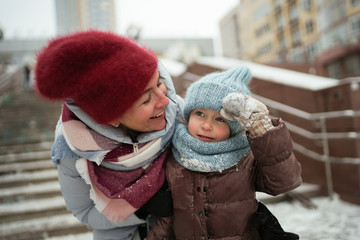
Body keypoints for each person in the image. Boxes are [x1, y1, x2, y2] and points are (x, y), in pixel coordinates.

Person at [34, 30, 179, 240]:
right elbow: (84, 211)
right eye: (147, 100)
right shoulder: (74, 150)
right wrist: (142, 209)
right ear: (112, 118)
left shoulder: (184, 115)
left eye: (158, 83)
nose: (165, 101)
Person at [147, 66, 302, 240]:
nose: (206, 126)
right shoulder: (174, 156)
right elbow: (167, 217)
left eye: (219, 119)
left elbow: (284, 181)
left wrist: (261, 129)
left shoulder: (246, 158)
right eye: (199, 114)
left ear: (233, 127)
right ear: (188, 114)